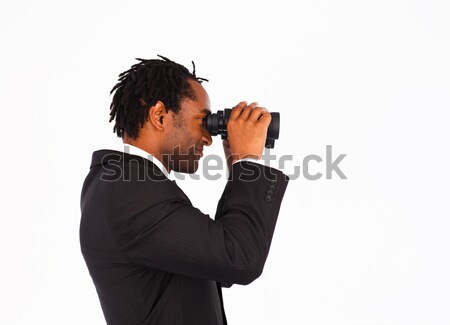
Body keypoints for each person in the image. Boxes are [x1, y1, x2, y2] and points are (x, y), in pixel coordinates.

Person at [79, 55, 289, 325]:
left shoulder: (121, 183)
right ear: (159, 115)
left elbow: (219, 267)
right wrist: (248, 161)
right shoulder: (128, 189)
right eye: (203, 121)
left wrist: (238, 167)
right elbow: (239, 258)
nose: (208, 138)